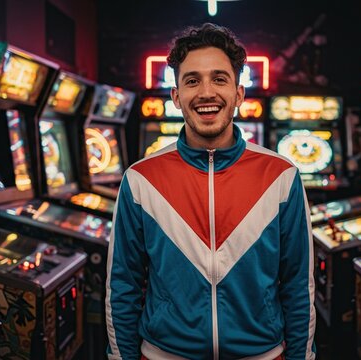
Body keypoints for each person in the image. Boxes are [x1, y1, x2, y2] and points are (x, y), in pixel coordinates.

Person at [105, 23, 316, 360]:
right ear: (176, 97)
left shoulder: (281, 176)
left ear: (239, 94)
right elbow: (123, 288)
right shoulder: (140, 180)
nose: (206, 92)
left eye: (219, 79)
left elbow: (297, 288)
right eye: (192, 81)